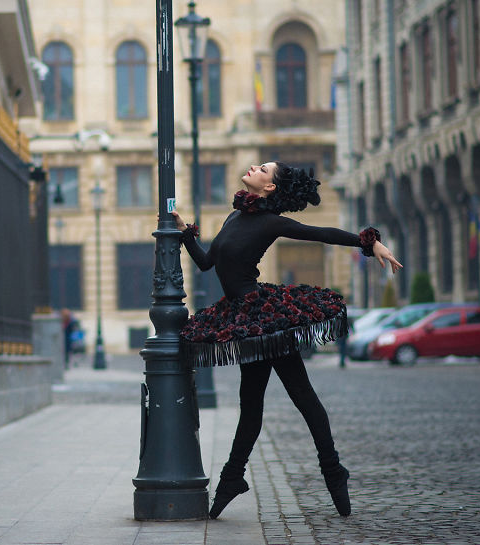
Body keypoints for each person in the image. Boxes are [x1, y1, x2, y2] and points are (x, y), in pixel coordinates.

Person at [171, 161, 401, 520]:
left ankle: (331, 470)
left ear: (270, 188)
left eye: (263, 168)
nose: (253, 166)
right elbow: (205, 264)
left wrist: (370, 245)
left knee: (302, 396)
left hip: (266, 321)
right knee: (251, 404)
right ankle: (234, 479)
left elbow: (320, 233)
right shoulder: (233, 217)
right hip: (246, 320)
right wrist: (185, 232)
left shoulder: (271, 222)